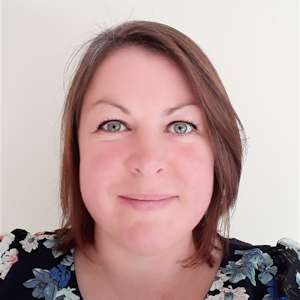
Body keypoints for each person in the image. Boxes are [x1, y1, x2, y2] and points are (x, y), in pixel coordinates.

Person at [0, 20, 299, 300]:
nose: (148, 162)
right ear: (77, 150)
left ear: (218, 151)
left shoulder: (285, 283)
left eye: (181, 126)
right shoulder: (8, 269)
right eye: (113, 125)